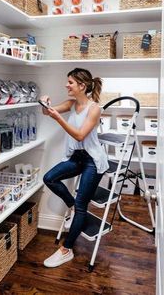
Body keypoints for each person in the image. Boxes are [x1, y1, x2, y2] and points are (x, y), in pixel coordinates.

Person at [40, 67, 109, 268]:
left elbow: (80, 135)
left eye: (70, 82)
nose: (66, 85)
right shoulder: (71, 103)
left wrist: (58, 118)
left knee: (82, 206)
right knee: (49, 178)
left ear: (82, 85)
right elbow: (48, 112)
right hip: (76, 157)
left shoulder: (94, 108)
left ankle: (66, 249)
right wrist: (45, 103)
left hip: (92, 161)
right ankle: (72, 206)